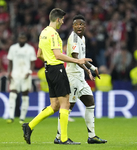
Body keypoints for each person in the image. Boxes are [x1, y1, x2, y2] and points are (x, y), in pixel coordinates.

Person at [22, 8, 92, 145]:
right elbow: (58, 55)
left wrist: (49, 62)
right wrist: (77, 61)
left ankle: (29, 126)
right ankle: (64, 138)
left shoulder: (43, 33)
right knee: (65, 103)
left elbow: (39, 55)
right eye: (62, 20)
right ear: (58, 19)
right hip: (57, 69)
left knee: (54, 105)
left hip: (49, 70)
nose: (63, 22)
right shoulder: (53, 34)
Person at [54, 14, 107, 144]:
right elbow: (77, 58)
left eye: (82, 24)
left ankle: (92, 136)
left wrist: (93, 67)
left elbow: (83, 58)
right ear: (73, 26)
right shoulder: (74, 38)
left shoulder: (82, 38)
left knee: (90, 103)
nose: (79, 26)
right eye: (77, 24)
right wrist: (88, 70)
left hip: (80, 78)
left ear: (85, 26)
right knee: (68, 107)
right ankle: (59, 136)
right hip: (73, 77)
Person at [6, 32, 36, 124]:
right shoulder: (13, 48)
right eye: (20, 38)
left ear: (26, 39)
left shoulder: (30, 49)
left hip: (25, 74)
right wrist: (9, 72)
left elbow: (32, 62)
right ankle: (11, 116)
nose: (22, 40)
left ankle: (22, 118)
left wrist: (30, 72)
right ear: (18, 38)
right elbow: (10, 61)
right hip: (15, 74)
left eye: (23, 38)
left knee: (25, 95)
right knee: (12, 94)